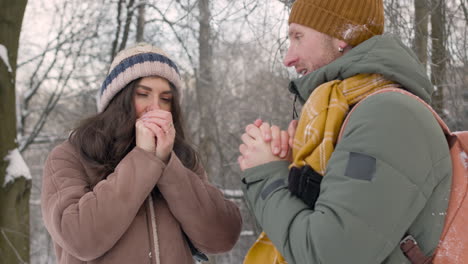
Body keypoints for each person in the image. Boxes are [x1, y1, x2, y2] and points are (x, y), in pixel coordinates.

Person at [238, 0, 452, 263]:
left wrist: (266, 176)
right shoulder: (348, 114)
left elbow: (331, 254)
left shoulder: (387, 116)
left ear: (342, 34)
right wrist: (287, 169)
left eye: (298, 36)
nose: (288, 57)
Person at [41, 43, 242, 264]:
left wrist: (166, 164)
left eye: (165, 99)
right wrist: (144, 157)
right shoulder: (70, 155)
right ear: (119, 101)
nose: (155, 107)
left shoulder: (183, 160)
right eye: (143, 95)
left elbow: (222, 238)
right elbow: (79, 238)